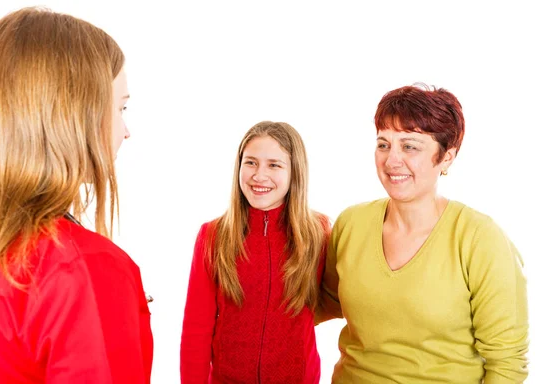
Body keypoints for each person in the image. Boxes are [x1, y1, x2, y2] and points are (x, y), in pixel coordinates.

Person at [0, 7, 153, 384]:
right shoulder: (86, 265)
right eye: (121, 108)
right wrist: (103, 291)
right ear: (73, 117)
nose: (126, 130)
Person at [317, 84, 529, 383]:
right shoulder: (351, 223)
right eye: (383, 144)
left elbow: (506, 362)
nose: (391, 160)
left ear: (446, 157)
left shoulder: (481, 239)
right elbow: (322, 302)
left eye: (410, 146)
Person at [180, 121, 330, 383]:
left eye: (274, 165)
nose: (259, 175)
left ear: (295, 172)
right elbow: (197, 329)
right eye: (250, 162)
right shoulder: (213, 236)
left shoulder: (318, 232)